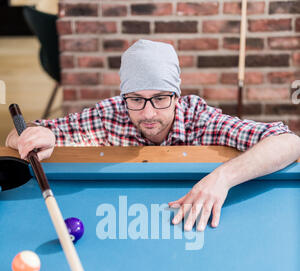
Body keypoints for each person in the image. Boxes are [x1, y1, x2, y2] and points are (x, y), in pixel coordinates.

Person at [6, 40, 300, 231]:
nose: (148, 113)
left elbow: (290, 142)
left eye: (160, 98)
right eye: (136, 99)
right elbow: (16, 136)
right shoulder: (110, 113)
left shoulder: (199, 117)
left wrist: (222, 178)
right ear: (124, 97)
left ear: (176, 95)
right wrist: (37, 135)